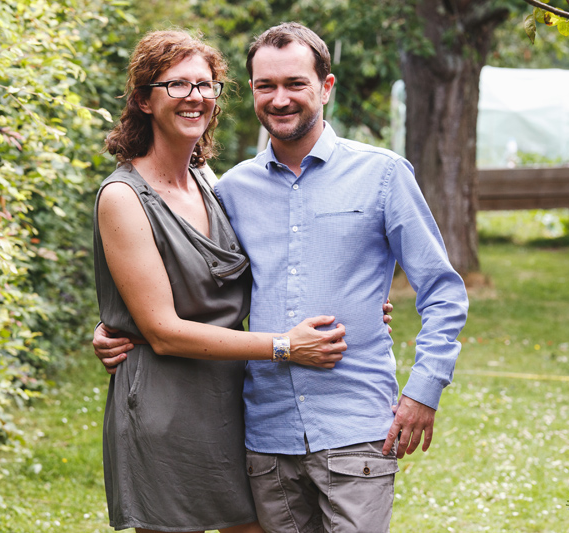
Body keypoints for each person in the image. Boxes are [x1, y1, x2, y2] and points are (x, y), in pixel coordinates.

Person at [96, 22, 468, 533]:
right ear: (251, 92)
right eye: (266, 86)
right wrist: (119, 329)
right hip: (264, 436)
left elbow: (442, 292)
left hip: (354, 428)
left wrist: (423, 389)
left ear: (326, 87)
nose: (281, 99)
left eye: (296, 83)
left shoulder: (382, 175)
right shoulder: (231, 191)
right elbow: (186, 285)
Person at [93, 30, 350, 533]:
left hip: (235, 402)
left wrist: (354, 303)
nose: (195, 97)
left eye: (205, 84)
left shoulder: (213, 181)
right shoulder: (123, 197)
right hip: (166, 408)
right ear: (144, 100)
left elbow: (272, 267)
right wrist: (284, 346)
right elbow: (162, 329)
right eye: (176, 85)